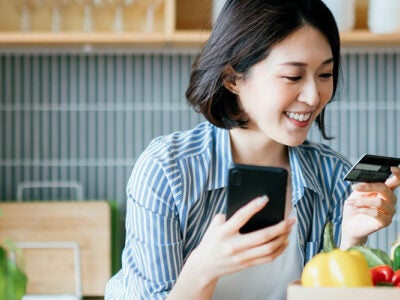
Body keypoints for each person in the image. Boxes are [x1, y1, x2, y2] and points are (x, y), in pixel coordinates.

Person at [105, 0, 400, 299]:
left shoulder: (333, 176)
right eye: (293, 76)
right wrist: (202, 269)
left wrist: (352, 240)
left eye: (325, 74)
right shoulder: (168, 171)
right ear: (233, 79)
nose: (313, 96)